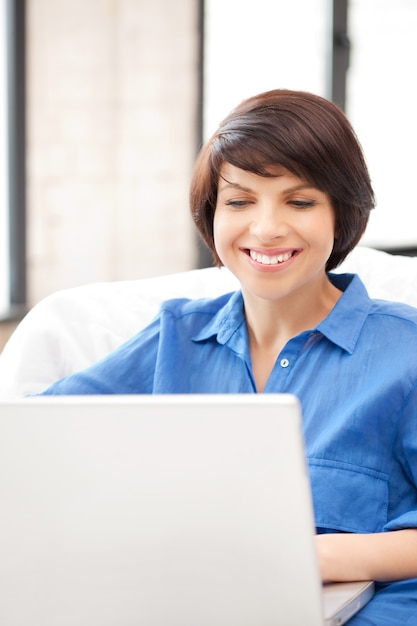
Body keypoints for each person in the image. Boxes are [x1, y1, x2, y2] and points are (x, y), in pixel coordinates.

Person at [39, 89, 417, 624]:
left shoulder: (406, 352)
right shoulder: (174, 336)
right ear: (211, 215)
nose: (265, 228)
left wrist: (311, 557)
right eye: (240, 202)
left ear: (342, 213)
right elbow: (37, 441)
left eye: (300, 201)